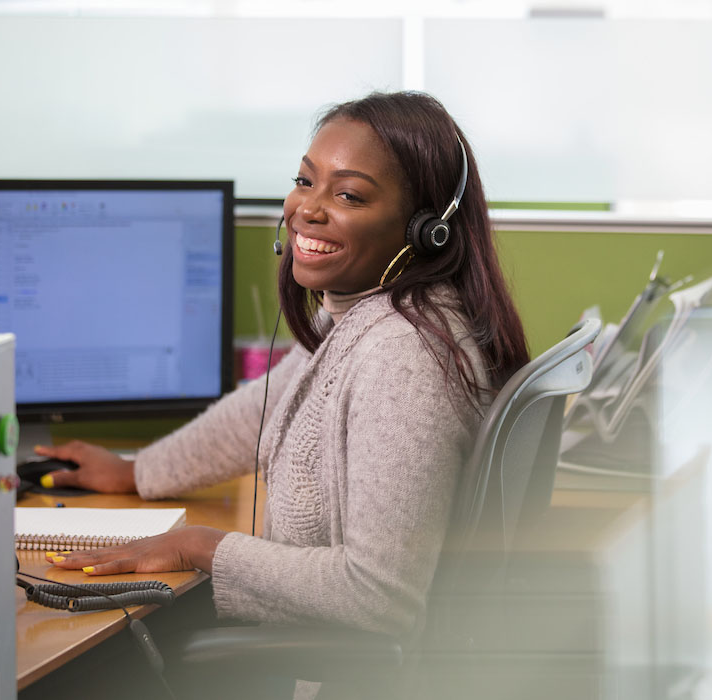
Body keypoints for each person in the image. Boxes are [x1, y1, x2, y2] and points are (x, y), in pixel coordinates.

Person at [34, 91, 529, 643]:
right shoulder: (367, 318)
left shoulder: (400, 359)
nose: (306, 210)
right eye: (304, 180)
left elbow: (380, 592)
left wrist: (200, 546)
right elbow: (258, 410)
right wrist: (135, 473)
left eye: (348, 194)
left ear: (425, 228)